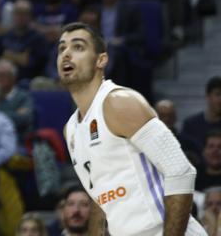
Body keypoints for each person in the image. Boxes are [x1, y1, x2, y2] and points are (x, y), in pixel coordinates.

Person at [58, 21, 207, 236]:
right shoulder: (70, 129)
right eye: (62, 48)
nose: (66, 54)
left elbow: (181, 172)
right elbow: (100, 199)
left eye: (78, 47)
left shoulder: (120, 102)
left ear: (101, 60)